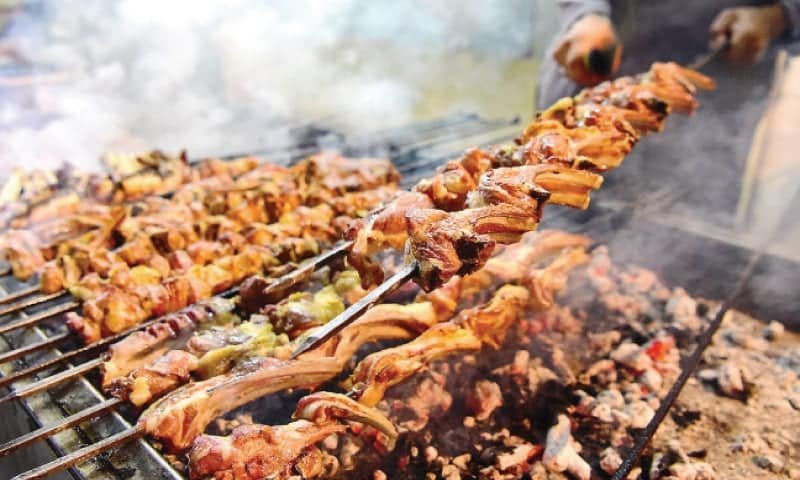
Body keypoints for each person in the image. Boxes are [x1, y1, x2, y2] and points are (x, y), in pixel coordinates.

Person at [536, 1, 800, 227]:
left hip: (716, 108)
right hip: (593, 71)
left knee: (689, 244)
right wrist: (587, 12)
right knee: (552, 208)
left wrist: (779, 16)